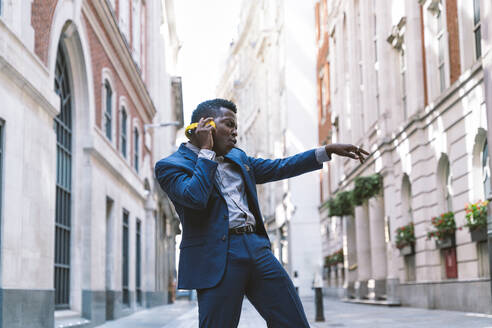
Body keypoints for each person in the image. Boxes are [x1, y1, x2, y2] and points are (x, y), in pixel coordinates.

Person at [154, 98, 368, 327]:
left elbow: (280, 166)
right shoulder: (170, 166)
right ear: (205, 125)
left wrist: (325, 151)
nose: (235, 133)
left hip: (256, 247)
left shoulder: (239, 157)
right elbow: (194, 198)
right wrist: (206, 152)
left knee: (292, 320)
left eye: (236, 127)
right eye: (228, 125)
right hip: (217, 256)